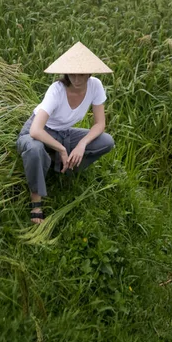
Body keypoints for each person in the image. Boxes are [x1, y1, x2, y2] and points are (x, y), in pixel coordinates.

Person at [16, 42, 115, 224]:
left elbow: (100, 124)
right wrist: (62, 149)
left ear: (90, 73)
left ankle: (62, 167)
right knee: (35, 149)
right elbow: (36, 130)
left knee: (106, 141)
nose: (76, 79)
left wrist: (81, 144)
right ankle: (36, 204)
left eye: (81, 74)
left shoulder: (95, 86)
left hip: (63, 132)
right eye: (72, 73)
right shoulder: (57, 90)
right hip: (36, 132)